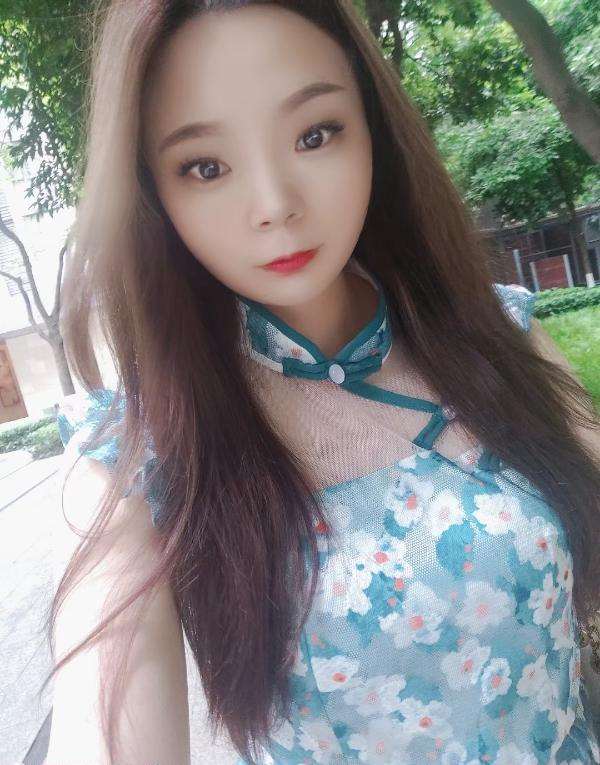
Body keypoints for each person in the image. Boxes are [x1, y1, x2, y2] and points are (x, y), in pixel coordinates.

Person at [41, 1, 600, 764]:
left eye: (315, 134)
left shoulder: (500, 334)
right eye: (205, 167)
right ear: (153, 196)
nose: (275, 206)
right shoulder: (134, 461)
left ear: (372, 129)